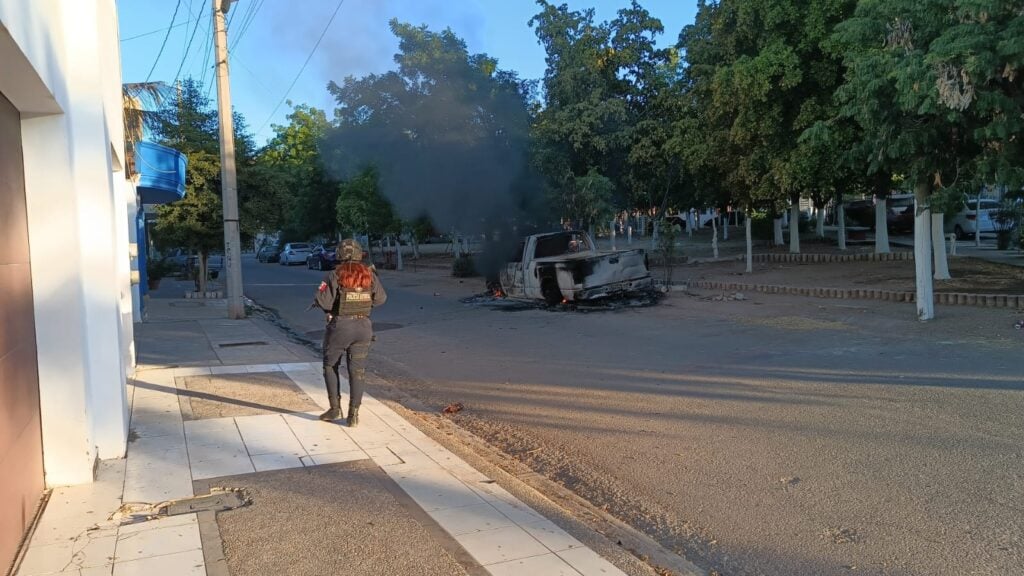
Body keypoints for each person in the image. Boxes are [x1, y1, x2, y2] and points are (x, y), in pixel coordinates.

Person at [313, 239, 387, 426]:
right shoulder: (368, 273)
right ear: (358, 254)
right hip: (363, 327)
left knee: (330, 366)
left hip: (340, 327)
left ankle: (335, 409)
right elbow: (380, 299)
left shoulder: (334, 275)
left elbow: (324, 303)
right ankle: (353, 414)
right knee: (358, 372)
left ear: (339, 254)